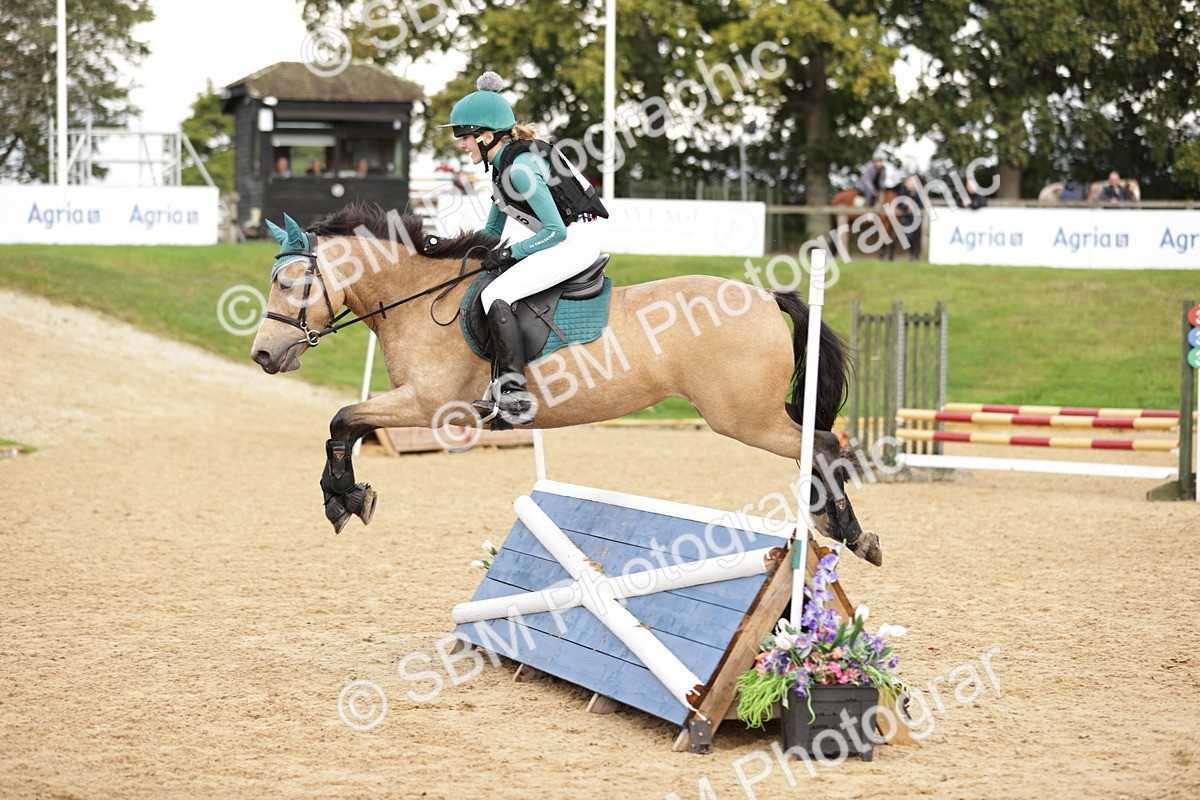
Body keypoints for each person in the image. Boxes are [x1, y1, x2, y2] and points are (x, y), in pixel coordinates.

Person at [439, 71, 609, 425]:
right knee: (491, 281)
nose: (461, 144)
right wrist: (450, 250)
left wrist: (510, 254)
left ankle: (514, 391)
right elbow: (490, 231)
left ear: (487, 136)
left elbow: (555, 232)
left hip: (577, 240)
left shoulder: (519, 169)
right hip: (565, 236)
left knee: (496, 294)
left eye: (464, 137)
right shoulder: (502, 169)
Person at [894, 175, 925, 260]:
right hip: (906, 218)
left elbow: (922, 204)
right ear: (906, 183)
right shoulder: (902, 192)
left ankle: (915, 256)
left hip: (917, 218)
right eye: (910, 182)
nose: (911, 184)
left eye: (913, 182)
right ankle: (911, 253)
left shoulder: (920, 193)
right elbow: (899, 203)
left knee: (917, 237)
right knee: (908, 236)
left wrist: (915, 207)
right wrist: (906, 207)